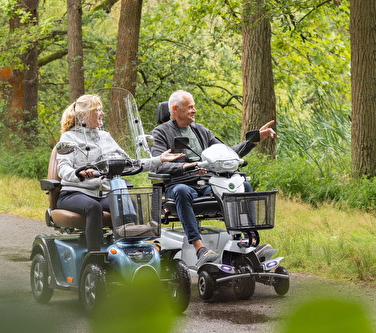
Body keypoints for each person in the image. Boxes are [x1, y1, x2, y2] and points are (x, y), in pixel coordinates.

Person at [151, 90, 276, 266]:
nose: (194, 110)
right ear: (175, 109)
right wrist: (187, 166)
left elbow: (227, 152)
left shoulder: (200, 130)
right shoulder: (160, 133)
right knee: (181, 190)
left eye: (194, 107)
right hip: (181, 184)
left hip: (209, 183)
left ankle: (249, 242)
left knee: (243, 187)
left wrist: (254, 140)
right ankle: (199, 248)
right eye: (190, 107)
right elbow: (158, 163)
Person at [56, 94, 183, 251]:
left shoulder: (105, 137)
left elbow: (130, 164)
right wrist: (79, 173)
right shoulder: (68, 137)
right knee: (93, 207)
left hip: (103, 193)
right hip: (74, 193)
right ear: (84, 114)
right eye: (98, 110)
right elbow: (63, 169)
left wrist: (159, 159)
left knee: (126, 202)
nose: (102, 113)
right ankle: (94, 255)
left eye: (102, 109)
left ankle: (129, 250)